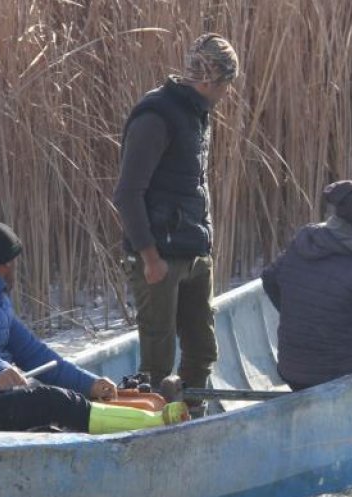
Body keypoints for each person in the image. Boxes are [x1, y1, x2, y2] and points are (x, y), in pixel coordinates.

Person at [0, 219, 187, 434]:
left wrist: (90, 384)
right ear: (5, 264)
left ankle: (136, 417)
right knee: (53, 401)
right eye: (15, 261)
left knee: (73, 397)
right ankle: (153, 426)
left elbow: (36, 354)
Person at [112, 33, 239, 414]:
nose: (227, 93)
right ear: (210, 80)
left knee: (202, 349)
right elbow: (127, 193)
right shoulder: (156, 116)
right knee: (157, 358)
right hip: (159, 258)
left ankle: (191, 413)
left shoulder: (196, 112)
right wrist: (150, 257)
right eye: (227, 84)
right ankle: (151, 425)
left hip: (194, 251)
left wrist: (206, 247)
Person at [261, 180, 352, 390]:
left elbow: (269, 279)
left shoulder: (304, 241)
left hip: (292, 372)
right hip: (341, 376)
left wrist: (300, 314)